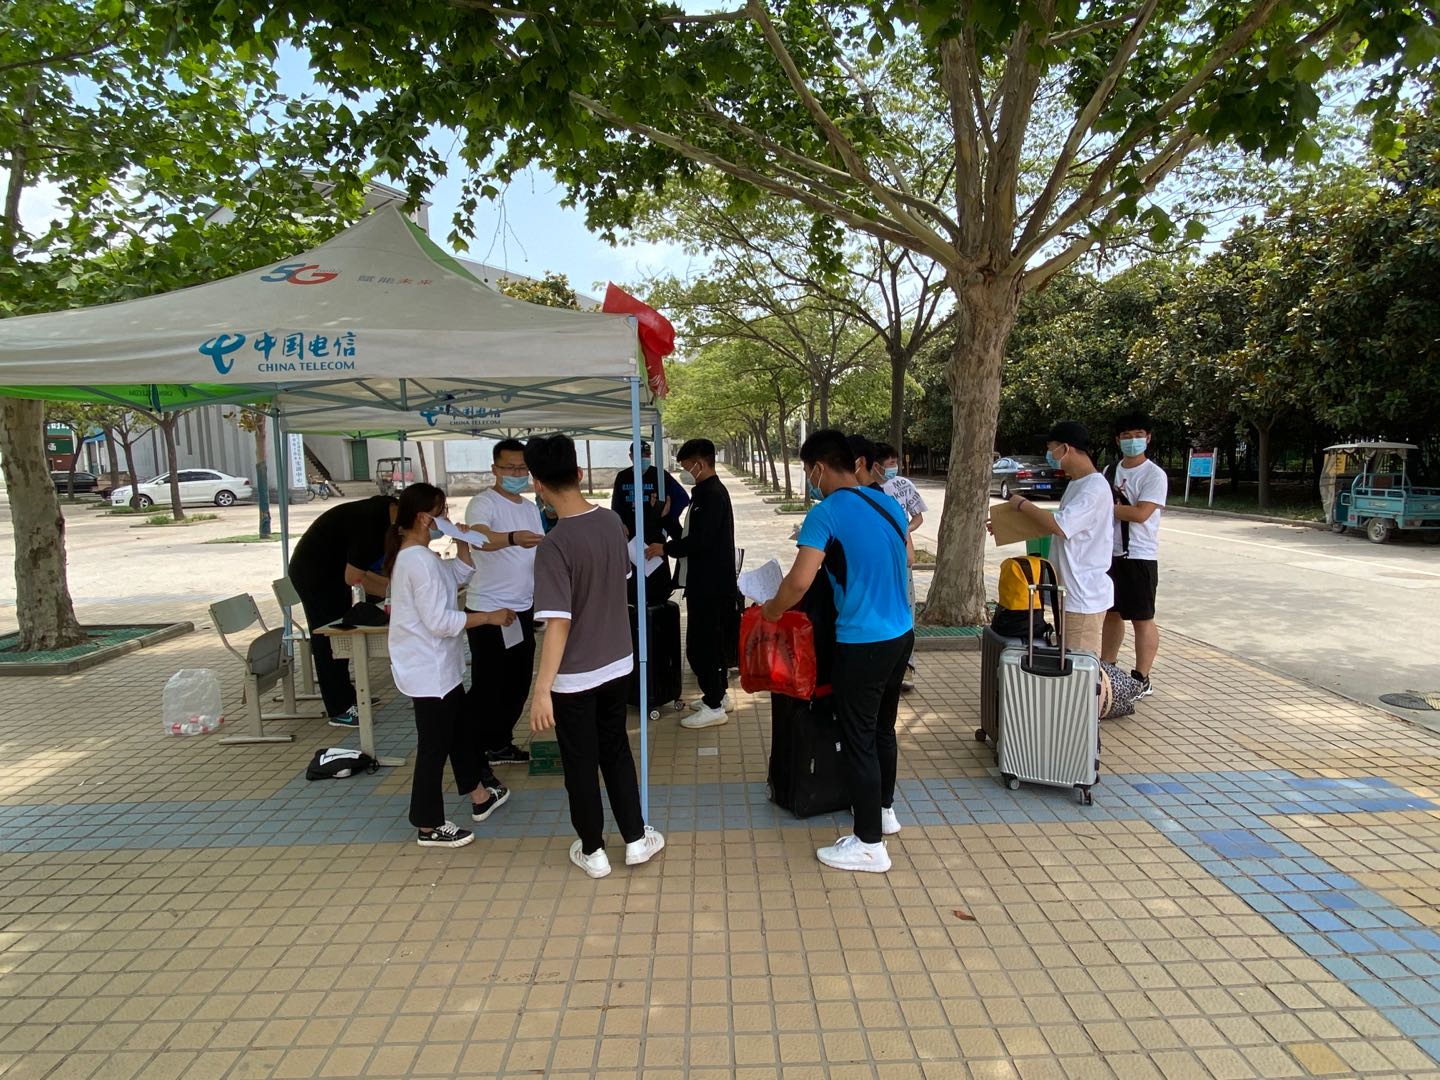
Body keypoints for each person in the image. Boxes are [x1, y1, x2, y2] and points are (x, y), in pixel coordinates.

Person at [761, 430, 912, 874]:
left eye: (808, 472)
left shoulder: (825, 513)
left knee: (859, 738)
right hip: (901, 633)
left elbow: (798, 581)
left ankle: (869, 845)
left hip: (862, 642)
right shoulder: (886, 503)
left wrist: (772, 610)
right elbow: (903, 558)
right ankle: (883, 810)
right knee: (882, 730)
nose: (811, 480)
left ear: (819, 468)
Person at [527, 434, 665, 879]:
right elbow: (619, 580)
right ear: (579, 473)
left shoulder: (553, 545)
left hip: (575, 676)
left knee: (580, 763)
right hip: (617, 661)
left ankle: (593, 850)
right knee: (616, 750)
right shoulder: (610, 522)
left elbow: (558, 624)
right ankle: (636, 839)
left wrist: (541, 689)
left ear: (537, 484)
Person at [383, 483, 515, 848]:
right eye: (441, 513)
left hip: (441, 669)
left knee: (460, 733)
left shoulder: (423, 556)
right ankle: (428, 824)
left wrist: (462, 542)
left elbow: (456, 576)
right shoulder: (416, 561)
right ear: (424, 518)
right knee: (434, 747)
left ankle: (479, 795)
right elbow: (439, 622)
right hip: (428, 670)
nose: (446, 518)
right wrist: (488, 617)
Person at [461, 439, 546, 765]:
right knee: (489, 683)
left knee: (518, 682)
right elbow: (479, 538)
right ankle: (471, 748)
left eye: (522, 468)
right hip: (490, 610)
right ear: (494, 469)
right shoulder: (483, 503)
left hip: (521, 609)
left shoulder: (529, 507)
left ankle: (499, 743)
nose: (516, 474)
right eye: (510, 468)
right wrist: (512, 538)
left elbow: (537, 552)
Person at [645, 437, 737, 729]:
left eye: (687, 466)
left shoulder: (712, 495)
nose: (685, 472)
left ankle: (713, 706)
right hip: (704, 583)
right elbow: (689, 536)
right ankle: (719, 696)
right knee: (710, 644)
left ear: (699, 463)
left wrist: (664, 549)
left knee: (702, 646)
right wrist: (667, 519)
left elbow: (699, 543)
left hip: (711, 586)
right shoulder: (704, 494)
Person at [1000, 421, 1113, 654]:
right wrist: (1006, 525)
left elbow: (1060, 526)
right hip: (1069, 591)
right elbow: (1059, 525)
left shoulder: (1094, 487)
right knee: (1067, 663)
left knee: (1079, 667)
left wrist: (1021, 503)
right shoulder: (1077, 483)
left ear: (1066, 449)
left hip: (1082, 595)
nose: (1049, 455)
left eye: (1051, 449)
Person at [288, 494, 397, 727]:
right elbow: (356, 577)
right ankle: (339, 708)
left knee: (342, 632)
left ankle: (350, 697)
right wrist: (396, 592)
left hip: (333, 571)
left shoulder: (384, 513)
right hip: (314, 574)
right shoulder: (371, 525)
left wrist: (394, 589)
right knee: (328, 636)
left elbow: (366, 573)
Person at [1101, 411, 1167, 697]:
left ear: (1148, 438)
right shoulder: (1108, 471)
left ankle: (1142, 678)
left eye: (1138, 435)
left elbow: (1141, 514)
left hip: (1140, 555)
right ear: (1118, 440)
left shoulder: (1154, 475)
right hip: (1109, 553)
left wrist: (1105, 508)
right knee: (1111, 613)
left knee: (1142, 617)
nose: (1132, 441)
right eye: (1126, 436)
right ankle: (1108, 669)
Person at [877, 442, 927, 690]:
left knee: (906, 609)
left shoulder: (904, 486)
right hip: (878, 559)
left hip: (901, 554)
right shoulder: (866, 490)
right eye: (889, 464)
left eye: (895, 463)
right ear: (875, 466)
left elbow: (918, 517)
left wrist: (906, 530)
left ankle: (907, 666)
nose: (893, 467)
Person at [611, 440, 673, 602]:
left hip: (654, 538)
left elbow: (679, 498)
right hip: (631, 539)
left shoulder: (659, 475)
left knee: (657, 584)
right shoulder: (623, 477)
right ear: (631, 457)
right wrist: (620, 524)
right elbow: (616, 506)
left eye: (647, 455)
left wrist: (666, 518)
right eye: (640, 456)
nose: (644, 459)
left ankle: (658, 606)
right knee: (633, 585)